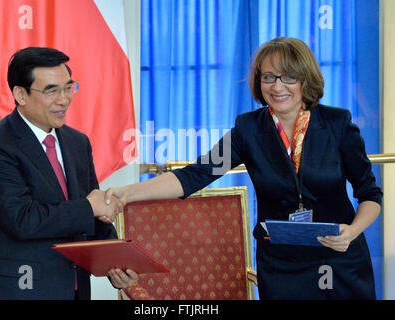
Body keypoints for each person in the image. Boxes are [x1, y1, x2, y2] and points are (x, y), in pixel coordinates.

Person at [104, 37, 382, 300]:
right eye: (268, 77)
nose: (277, 86)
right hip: (282, 265)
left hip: (339, 259)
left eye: (288, 77)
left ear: (305, 80)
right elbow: (195, 175)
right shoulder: (248, 129)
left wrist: (353, 231)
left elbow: (371, 194)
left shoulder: (338, 123)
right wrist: (126, 193)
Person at [0, 47, 138, 300]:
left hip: (74, 289)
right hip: (20, 290)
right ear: (20, 94)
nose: (64, 99)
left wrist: (116, 261)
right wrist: (89, 208)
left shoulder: (77, 142)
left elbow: (93, 212)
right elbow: (22, 220)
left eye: (68, 88)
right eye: (52, 91)